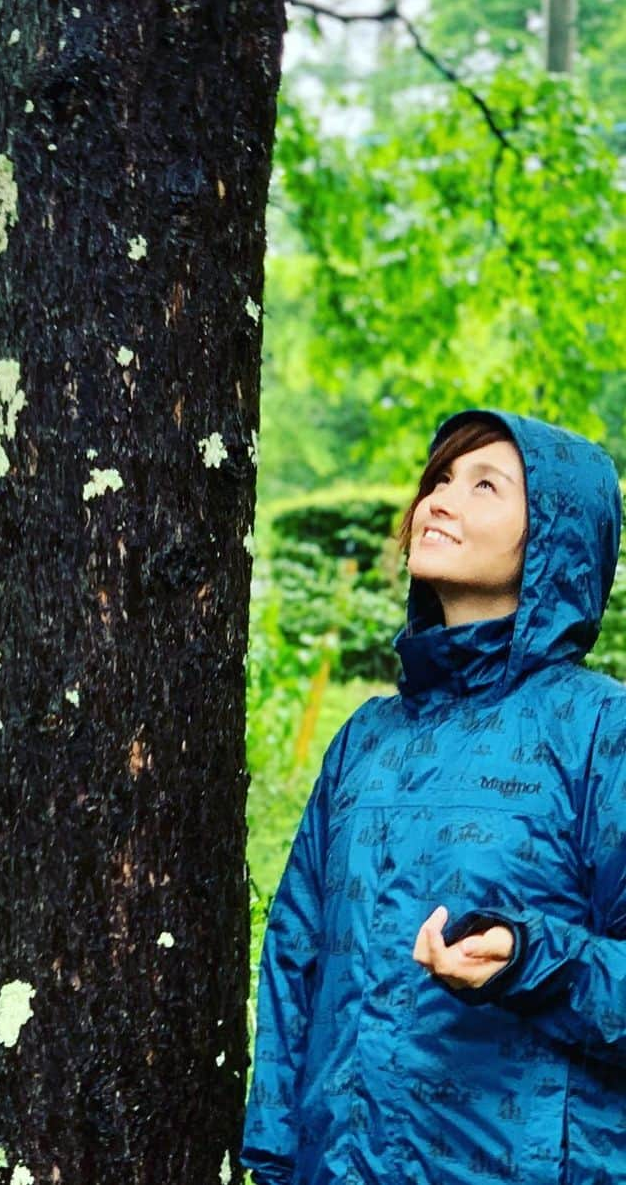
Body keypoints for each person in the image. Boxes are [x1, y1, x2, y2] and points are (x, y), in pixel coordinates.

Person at [241, 407, 626, 1185]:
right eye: (440, 478)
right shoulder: (365, 739)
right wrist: (274, 1161)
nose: (440, 501)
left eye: (486, 485)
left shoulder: (600, 730)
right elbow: (293, 961)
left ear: (554, 538)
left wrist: (530, 959)